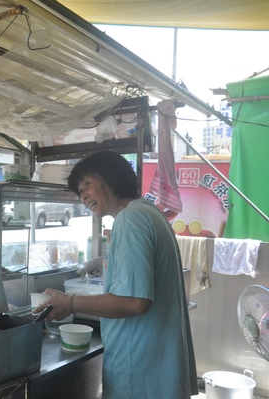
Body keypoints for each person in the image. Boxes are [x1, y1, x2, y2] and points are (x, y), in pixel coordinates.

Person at [34, 150, 198, 398]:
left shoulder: (129, 219)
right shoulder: (147, 212)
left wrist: (70, 303)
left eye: (86, 184)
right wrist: (105, 260)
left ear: (110, 177)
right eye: (80, 191)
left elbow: (134, 302)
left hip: (139, 370)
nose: (83, 195)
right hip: (158, 365)